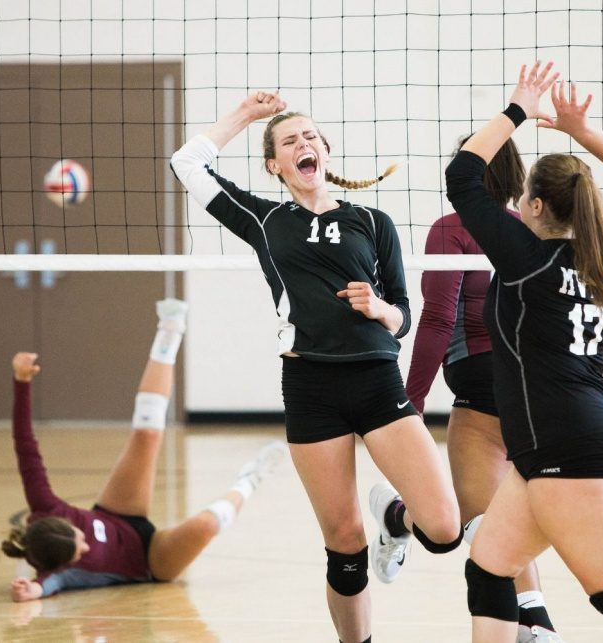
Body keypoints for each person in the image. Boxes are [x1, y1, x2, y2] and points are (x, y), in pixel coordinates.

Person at [171, 93, 462, 643]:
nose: (303, 144)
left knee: (445, 529)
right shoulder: (263, 218)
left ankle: (393, 520)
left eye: (310, 137)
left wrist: (380, 309)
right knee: (344, 542)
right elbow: (186, 163)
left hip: (377, 380)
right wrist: (248, 116)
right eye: (289, 141)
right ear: (274, 165)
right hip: (311, 386)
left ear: (325, 152)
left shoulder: (373, 222)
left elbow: (403, 317)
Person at [446, 62, 603, 642]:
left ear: (536, 208)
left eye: (523, 195)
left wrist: (519, 108)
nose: (517, 202)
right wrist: (581, 132)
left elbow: (463, 176)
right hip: (559, 440)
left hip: (564, 443)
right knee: (489, 568)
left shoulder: (527, 260)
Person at [2, 298, 286, 601]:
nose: (86, 547)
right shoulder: (60, 572)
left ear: (60, 522)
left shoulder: (45, 504)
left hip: (118, 514)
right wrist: (32, 590)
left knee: (147, 434)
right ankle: (249, 480)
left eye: (79, 539)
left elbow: (25, 446)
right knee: (205, 525)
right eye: (79, 552)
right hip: (151, 560)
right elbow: (47, 585)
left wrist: (21, 382)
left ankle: (170, 328)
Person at [406, 140, 564, 643]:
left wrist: (409, 403)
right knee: (502, 516)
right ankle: (537, 619)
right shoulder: (535, 232)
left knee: (473, 525)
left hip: (480, 383)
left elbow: (436, 319)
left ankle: (394, 515)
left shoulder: (453, 228)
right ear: (518, 178)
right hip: (535, 387)